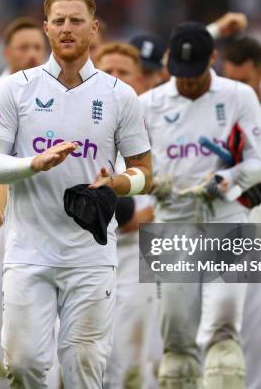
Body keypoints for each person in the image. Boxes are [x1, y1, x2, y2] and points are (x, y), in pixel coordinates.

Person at [0, 0, 153, 387]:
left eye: (76, 21)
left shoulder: (119, 95)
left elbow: (145, 172)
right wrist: (31, 163)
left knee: (84, 370)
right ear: (46, 29)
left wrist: (118, 184)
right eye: (59, 21)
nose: (67, 28)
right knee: (22, 365)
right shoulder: (15, 89)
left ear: (93, 28)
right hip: (28, 250)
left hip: (90, 254)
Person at [141, 22, 261, 389]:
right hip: (171, 219)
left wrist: (228, 179)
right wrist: (151, 183)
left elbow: (258, 164)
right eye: (180, 74)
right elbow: (127, 165)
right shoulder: (149, 103)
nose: (188, 82)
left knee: (223, 339)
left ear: (213, 58)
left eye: (195, 73)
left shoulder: (239, 96)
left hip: (226, 216)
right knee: (177, 352)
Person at [0, 16, 47, 388]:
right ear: (7, 52)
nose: (32, 54)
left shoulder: (59, 94)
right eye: (24, 47)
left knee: (44, 328)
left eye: (38, 47)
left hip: (44, 219)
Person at [96, 42, 158, 388]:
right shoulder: (78, 122)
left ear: (139, 79)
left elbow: (157, 197)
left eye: (124, 73)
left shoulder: (155, 124)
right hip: (82, 250)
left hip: (136, 253)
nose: (116, 79)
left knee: (127, 359)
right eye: (109, 71)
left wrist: (136, 209)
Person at [221, 36, 261, 389]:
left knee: (258, 346)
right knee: (215, 344)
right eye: (230, 81)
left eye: (244, 82)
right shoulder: (219, 115)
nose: (237, 89)